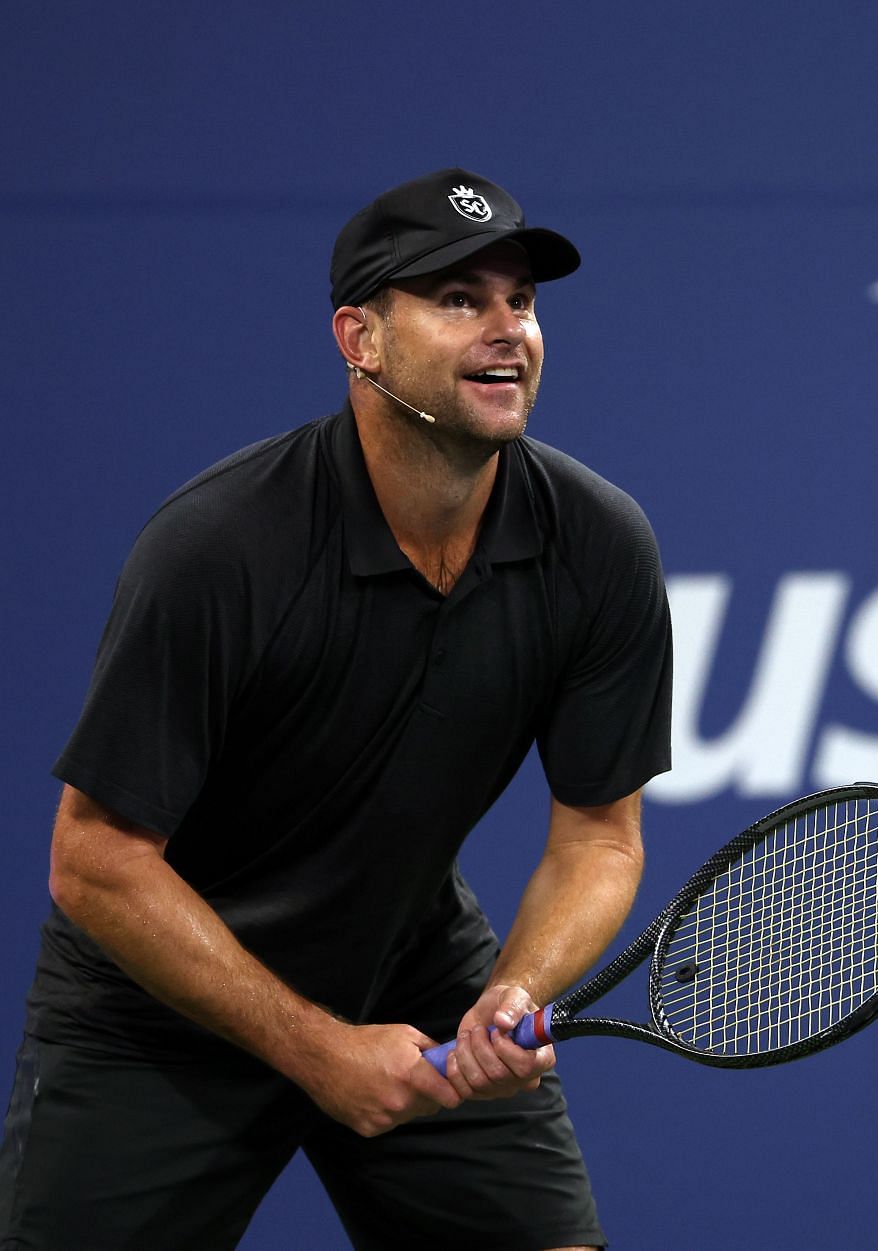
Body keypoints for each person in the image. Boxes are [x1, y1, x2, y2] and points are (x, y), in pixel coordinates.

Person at [0, 169, 672, 1250]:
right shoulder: (221, 550)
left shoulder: (597, 543)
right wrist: (314, 1047)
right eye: (460, 300)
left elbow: (599, 835)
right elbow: (95, 862)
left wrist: (513, 994)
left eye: (523, 300)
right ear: (360, 338)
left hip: (409, 965)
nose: (510, 330)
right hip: (162, 1012)